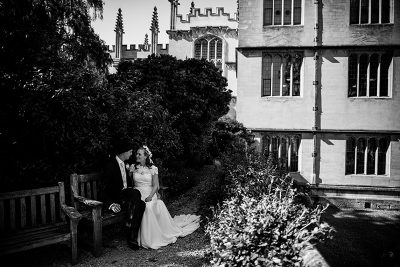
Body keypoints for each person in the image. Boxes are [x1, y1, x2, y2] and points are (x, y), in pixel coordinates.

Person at [129, 145, 200, 249]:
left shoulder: (153, 168)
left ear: (145, 156)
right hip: (136, 193)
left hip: (149, 193)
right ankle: (135, 236)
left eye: (139, 154)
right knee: (139, 205)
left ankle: (150, 238)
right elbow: (129, 183)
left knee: (148, 207)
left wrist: (150, 196)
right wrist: (130, 172)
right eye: (137, 154)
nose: (137, 156)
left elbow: (156, 185)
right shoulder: (133, 167)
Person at [103, 139, 145, 250]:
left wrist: (130, 173)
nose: (131, 154)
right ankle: (132, 236)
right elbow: (102, 189)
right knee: (136, 193)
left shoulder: (124, 164)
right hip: (116, 197)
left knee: (142, 204)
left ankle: (132, 233)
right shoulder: (111, 165)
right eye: (130, 151)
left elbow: (127, 184)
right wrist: (111, 204)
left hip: (125, 196)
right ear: (124, 152)